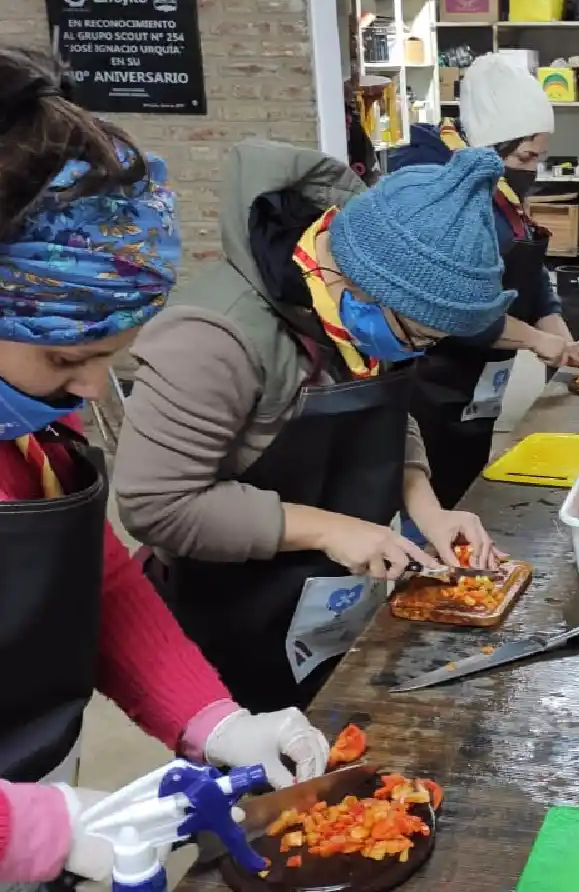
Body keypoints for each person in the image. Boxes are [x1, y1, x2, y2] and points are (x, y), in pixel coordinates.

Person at [0, 47, 329, 886]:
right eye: (69, 359)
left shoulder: (33, 439)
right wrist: (29, 829)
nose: (90, 389)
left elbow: (94, 584)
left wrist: (212, 720)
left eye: (111, 357)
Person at [112, 140, 513, 714]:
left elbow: (386, 413)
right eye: (419, 337)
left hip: (327, 600)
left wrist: (427, 507)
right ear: (356, 284)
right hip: (231, 612)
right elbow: (158, 504)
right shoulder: (212, 335)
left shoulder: (356, 313)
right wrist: (329, 530)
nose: (417, 351)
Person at [390, 53, 579, 509]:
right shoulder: (448, 208)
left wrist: (565, 345)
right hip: (435, 383)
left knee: (469, 487)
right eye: (526, 156)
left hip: (482, 383)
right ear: (489, 149)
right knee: (432, 493)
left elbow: (536, 288)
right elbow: (456, 308)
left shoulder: (506, 201)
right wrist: (532, 340)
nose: (531, 170)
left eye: (539, 158)